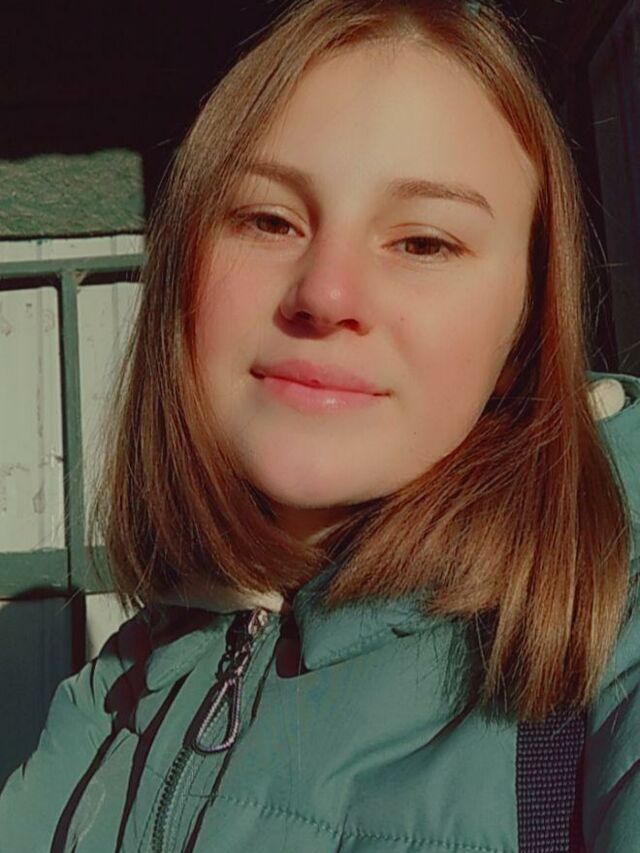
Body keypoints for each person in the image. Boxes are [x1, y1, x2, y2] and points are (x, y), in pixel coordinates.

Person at [1, 0, 639, 849]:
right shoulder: (122, 686)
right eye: (268, 220)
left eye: (423, 242)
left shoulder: (611, 626)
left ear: (526, 325)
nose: (325, 293)